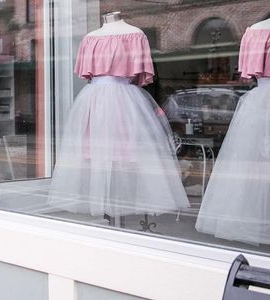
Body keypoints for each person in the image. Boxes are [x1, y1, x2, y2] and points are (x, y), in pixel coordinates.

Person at [47, 12, 189, 221]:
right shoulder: (91, 37)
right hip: (106, 100)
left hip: (114, 98)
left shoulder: (134, 34)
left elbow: (138, 73)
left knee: (125, 152)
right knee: (98, 152)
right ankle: (109, 212)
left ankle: (118, 212)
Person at [195, 18, 270, 245]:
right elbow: (247, 73)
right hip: (259, 102)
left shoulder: (255, 32)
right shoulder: (253, 32)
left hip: (258, 102)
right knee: (251, 164)